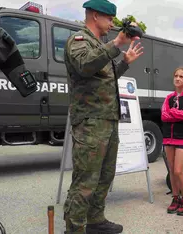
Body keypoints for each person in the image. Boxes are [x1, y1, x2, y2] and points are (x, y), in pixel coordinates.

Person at [62, 0, 144, 233]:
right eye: (109, 19)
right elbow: (84, 66)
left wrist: (124, 64)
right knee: (85, 179)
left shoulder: (100, 45)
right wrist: (117, 44)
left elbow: (104, 79)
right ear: (95, 16)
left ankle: (95, 220)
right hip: (90, 123)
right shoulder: (79, 41)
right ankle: (75, 227)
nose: (112, 24)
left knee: (104, 176)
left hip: (107, 121)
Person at [161, 67, 183, 216]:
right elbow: (163, 115)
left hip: (181, 137)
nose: (177, 79)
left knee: (178, 170)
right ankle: (175, 198)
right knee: (172, 171)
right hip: (167, 137)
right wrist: (180, 113)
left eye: (181, 76)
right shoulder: (168, 97)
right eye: (176, 76)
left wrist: (173, 112)